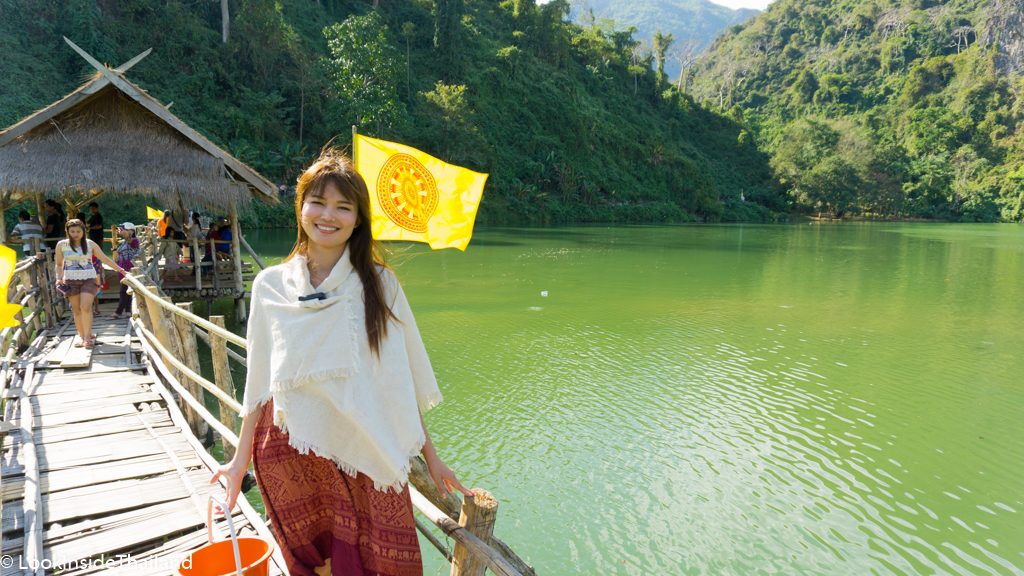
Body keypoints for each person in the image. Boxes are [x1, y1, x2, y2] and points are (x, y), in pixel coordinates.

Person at [210, 150, 471, 576]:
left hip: (364, 445)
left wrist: (432, 456)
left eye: (343, 207)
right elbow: (258, 382)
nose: (328, 215)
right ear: (301, 208)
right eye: (318, 202)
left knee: (381, 562)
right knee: (316, 564)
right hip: (291, 449)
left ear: (357, 219)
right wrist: (239, 463)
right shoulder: (270, 286)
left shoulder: (380, 285)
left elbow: (398, 381)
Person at [54, 219, 125, 348]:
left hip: (89, 279)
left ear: (83, 231)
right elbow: (59, 264)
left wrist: (119, 269)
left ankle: (87, 337)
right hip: (70, 281)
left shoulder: (90, 244)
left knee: (85, 307)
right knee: (76, 310)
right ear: (67, 232)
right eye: (72, 231)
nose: (75, 234)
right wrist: (59, 278)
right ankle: (82, 336)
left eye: (78, 231)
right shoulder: (61, 245)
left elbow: (103, 258)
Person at [111, 222, 140, 320]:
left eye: (123, 230)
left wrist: (128, 234)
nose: (121, 232)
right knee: (127, 290)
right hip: (123, 268)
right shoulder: (124, 242)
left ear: (131, 231)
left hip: (130, 269)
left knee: (123, 291)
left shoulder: (133, 241)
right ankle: (128, 311)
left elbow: (131, 242)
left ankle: (118, 312)